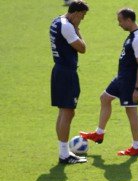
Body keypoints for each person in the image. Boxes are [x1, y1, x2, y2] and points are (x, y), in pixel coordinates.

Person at [80, 8, 138, 156]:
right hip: (121, 78)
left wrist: (137, 88)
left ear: (129, 20)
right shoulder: (132, 36)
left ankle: (137, 146)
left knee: (131, 111)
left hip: (130, 82)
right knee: (105, 98)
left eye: (120, 21)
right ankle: (99, 133)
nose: (119, 24)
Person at [50, 0, 88, 164]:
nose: (82, 19)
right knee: (67, 112)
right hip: (66, 73)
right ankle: (64, 155)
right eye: (82, 16)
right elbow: (82, 48)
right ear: (77, 13)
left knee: (64, 112)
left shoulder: (57, 20)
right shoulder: (67, 26)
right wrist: (77, 29)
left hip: (59, 70)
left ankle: (63, 152)